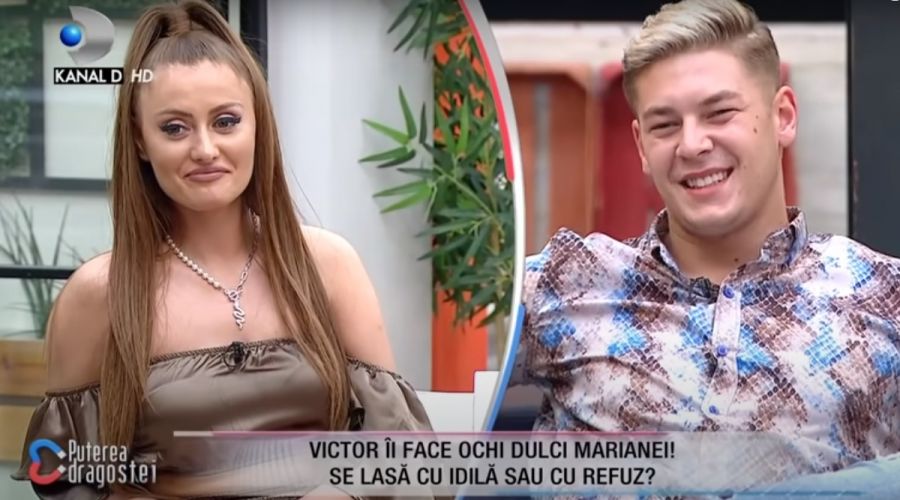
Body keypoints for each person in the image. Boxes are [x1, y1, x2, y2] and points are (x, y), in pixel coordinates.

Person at [12, 1, 431, 498]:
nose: (205, 149)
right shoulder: (99, 293)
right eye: (174, 128)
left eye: (226, 121)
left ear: (258, 126)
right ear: (140, 142)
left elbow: (398, 455)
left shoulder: (329, 265)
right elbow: (67, 478)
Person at [513, 0, 899, 495]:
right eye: (665, 125)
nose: (692, 144)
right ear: (641, 146)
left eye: (719, 113)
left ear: (782, 116)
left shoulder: (882, 294)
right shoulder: (566, 283)